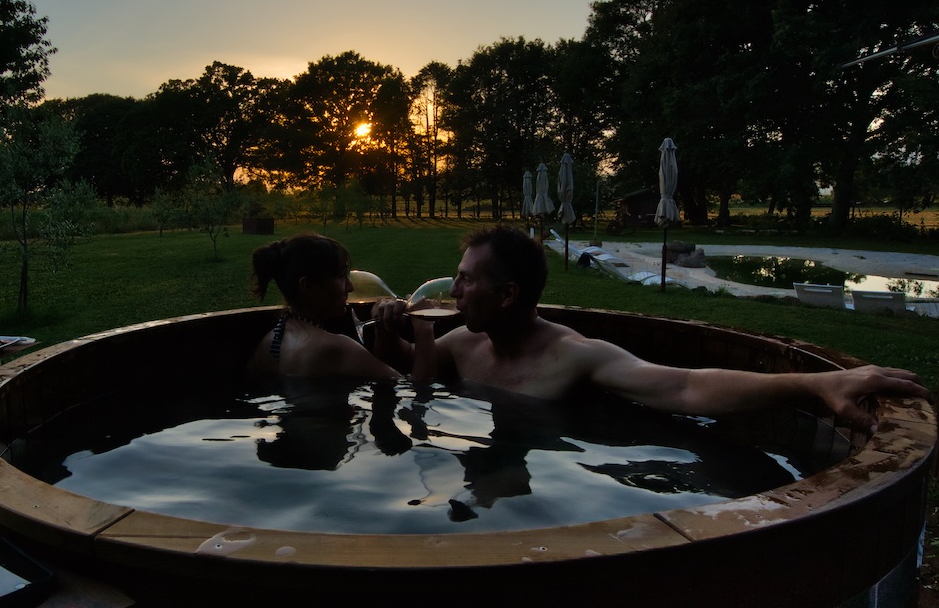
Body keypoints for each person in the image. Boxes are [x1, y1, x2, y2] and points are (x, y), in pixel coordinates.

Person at [371, 225, 929, 432]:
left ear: (508, 294)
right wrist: (386, 331)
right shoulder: (464, 342)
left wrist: (815, 384)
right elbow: (410, 371)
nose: (454, 291)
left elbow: (684, 386)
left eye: (467, 282)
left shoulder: (576, 355)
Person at [246, 232, 434, 381]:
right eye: (340, 276)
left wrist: (385, 333)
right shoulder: (335, 348)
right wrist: (424, 329)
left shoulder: (268, 343)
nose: (350, 287)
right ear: (308, 287)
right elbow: (412, 392)